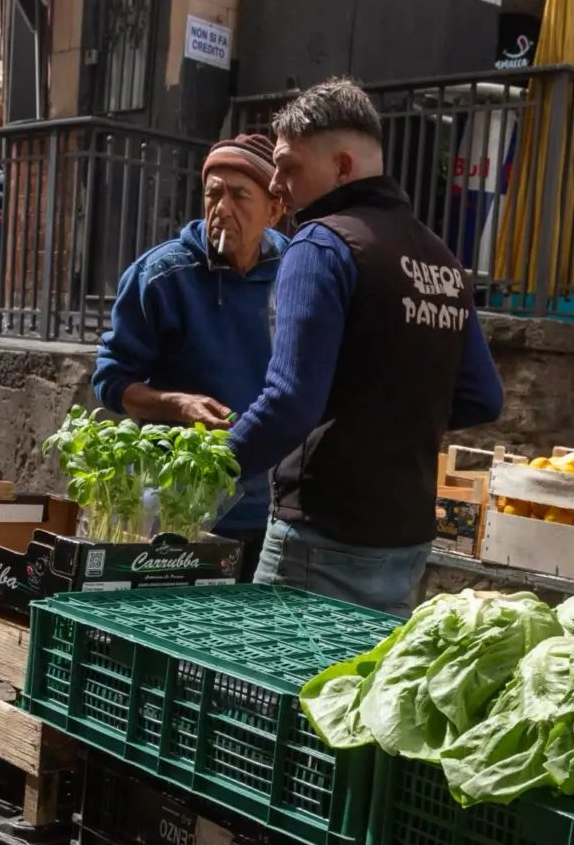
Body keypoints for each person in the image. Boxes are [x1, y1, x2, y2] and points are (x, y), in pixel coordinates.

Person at [228, 80, 503, 615]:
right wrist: (388, 417)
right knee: (357, 696)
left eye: (288, 167)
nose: (276, 184)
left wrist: (210, 466)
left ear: (343, 166)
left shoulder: (320, 246)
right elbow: (482, 398)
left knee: (277, 692)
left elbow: (289, 401)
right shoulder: (441, 258)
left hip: (321, 537)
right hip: (406, 541)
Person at [93, 134, 289, 575]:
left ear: (274, 210)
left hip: (271, 509)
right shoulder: (162, 275)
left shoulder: (294, 269)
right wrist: (177, 405)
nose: (222, 208)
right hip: (180, 507)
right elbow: (110, 381)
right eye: (213, 194)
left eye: (239, 196)